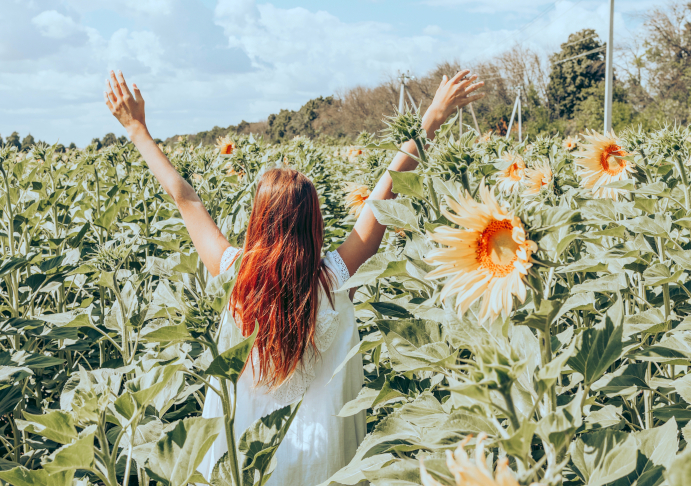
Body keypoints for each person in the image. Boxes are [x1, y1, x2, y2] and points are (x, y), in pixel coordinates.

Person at [104, 69, 484, 485]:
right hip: (322, 455)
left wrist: (136, 128)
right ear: (314, 224)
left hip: (248, 455)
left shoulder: (236, 275)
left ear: (258, 221)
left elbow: (185, 197)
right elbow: (384, 194)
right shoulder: (335, 277)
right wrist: (431, 117)